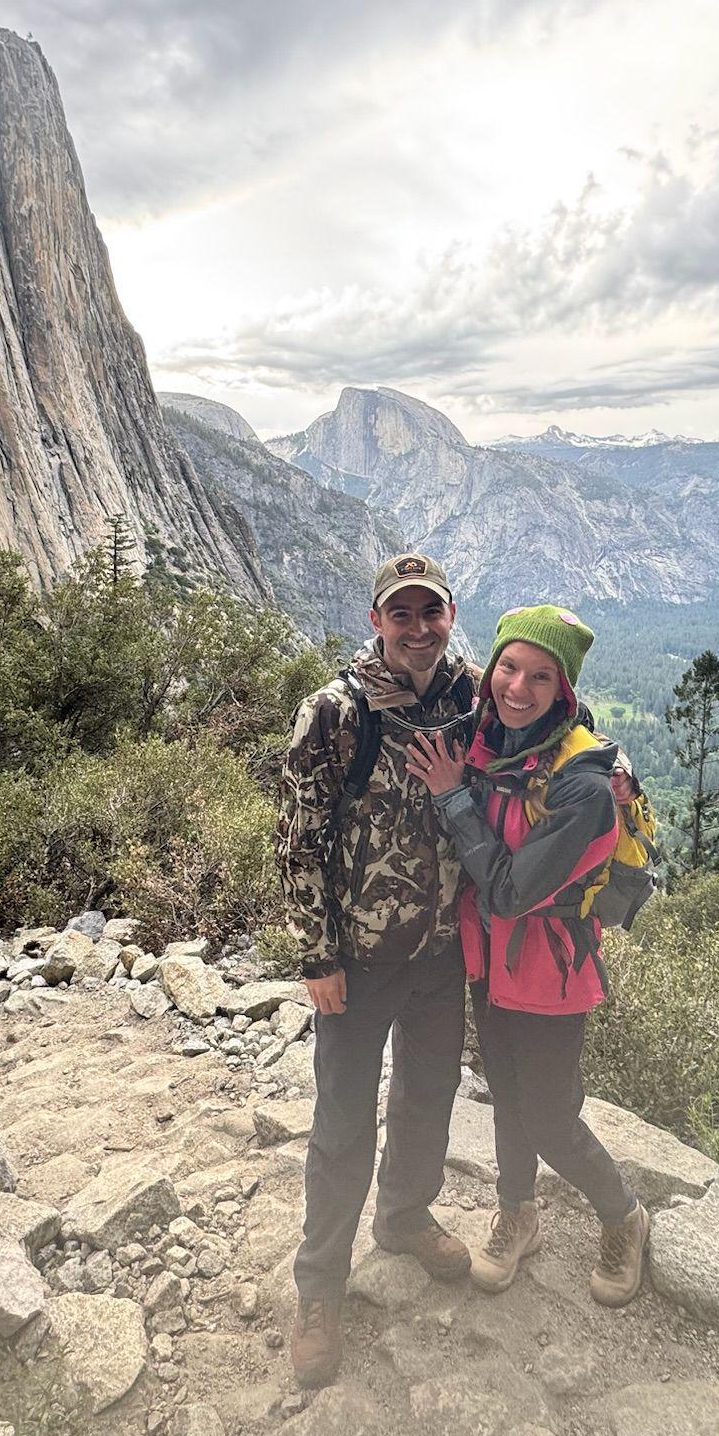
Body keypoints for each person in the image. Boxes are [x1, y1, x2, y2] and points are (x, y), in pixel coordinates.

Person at [403, 604, 650, 1307]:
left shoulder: (586, 788)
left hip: (551, 971)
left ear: (563, 691)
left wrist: (452, 797)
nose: (518, 686)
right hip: (490, 965)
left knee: (545, 1113)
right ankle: (518, 1214)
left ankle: (623, 1213)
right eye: (509, 667)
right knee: (509, 1097)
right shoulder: (499, 736)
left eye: (541, 676)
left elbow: (510, 892)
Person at [274, 553, 480, 1388]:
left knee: (428, 1097)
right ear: (377, 621)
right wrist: (316, 955)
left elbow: (544, 733)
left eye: (432, 612)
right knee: (343, 1123)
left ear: (450, 614)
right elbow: (297, 840)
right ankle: (320, 1288)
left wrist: (605, 770)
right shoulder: (332, 713)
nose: (420, 628)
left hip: (441, 952)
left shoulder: (472, 695)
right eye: (403, 614)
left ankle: (403, 1217)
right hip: (356, 963)